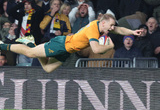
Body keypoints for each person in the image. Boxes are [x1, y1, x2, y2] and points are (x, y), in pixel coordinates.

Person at [0, 14, 142, 73]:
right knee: (30, 54)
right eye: (110, 26)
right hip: (61, 45)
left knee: (48, 69)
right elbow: (97, 49)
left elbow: (119, 29)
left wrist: (132, 32)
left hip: (67, 50)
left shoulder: (100, 25)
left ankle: (32, 44)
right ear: (103, 22)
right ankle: (3, 44)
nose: (112, 29)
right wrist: (110, 46)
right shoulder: (93, 30)